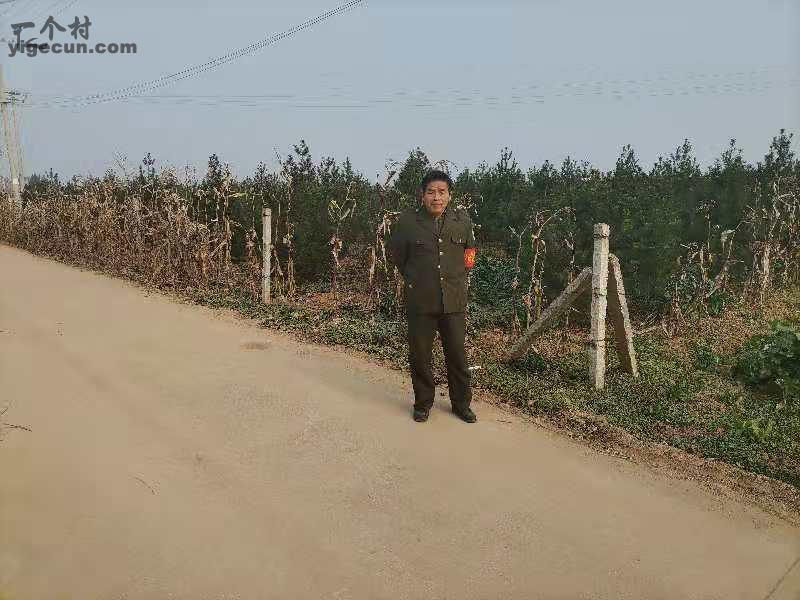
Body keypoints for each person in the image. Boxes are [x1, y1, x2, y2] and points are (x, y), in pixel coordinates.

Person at [388, 170, 478, 423]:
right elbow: (399, 257)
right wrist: (417, 280)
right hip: (421, 300)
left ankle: (461, 404)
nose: (436, 197)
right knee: (420, 355)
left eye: (441, 192)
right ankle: (423, 403)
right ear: (422, 195)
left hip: (453, 301)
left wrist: (457, 278)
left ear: (450, 195)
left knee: (457, 355)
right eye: (431, 192)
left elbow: (469, 254)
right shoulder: (408, 222)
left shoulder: (462, 220)